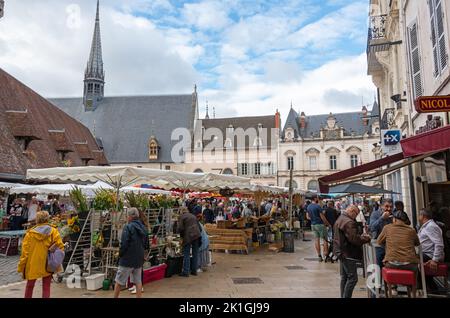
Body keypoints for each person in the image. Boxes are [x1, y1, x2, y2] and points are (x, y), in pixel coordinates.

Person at [17, 211, 64, 298]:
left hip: (32, 264)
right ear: (47, 219)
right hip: (47, 263)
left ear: (37, 220)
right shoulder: (53, 231)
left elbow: (24, 253)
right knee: (46, 287)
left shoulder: (30, 234)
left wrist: (21, 266)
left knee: (29, 286)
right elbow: (60, 247)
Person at [333, 205, 371, 298]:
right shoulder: (349, 222)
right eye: (356, 214)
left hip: (340, 251)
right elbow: (354, 239)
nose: (356, 216)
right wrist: (366, 239)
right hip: (347, 253)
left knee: (345, 277)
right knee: (352, 278)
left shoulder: (341, 218)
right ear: (352, 211)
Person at [114, 208, 148, 298]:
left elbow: (124, 243)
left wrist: (120, 254)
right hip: (139, 259)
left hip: (127, 259)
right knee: (138, 281)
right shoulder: (143, 227)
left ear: (130, 216)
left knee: (119, 281)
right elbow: (146, 244)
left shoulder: (128, 227)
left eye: (127, 216)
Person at [418, 209, 445, 291]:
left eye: (419, 215)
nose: (418, 217)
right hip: (426, 254)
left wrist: (434, 260)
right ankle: (431, 289)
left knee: (412, 260)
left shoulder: (431, 226)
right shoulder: (426, 226)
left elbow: (439, 244)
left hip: (430, 255)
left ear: (423, 216)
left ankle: (421, 289)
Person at [369, 198, 394, 269]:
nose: (389, 209)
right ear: (381, 206)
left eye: (391, 207)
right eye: (387, 206)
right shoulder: (375, 214)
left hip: (391, 245)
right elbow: (372, 228)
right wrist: (382, 218)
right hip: (379, 245)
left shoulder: (394, 215)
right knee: (379, 266)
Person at [178, 207, 202, 277]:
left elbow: (180, 228)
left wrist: (181, 237)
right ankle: (194, 270)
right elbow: (199, 228)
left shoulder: (181, 217)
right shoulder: (193, 215)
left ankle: (186, 272)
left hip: (188, 236)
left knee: (186, 254)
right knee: (195, 253)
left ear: (181, 211)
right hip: (197, 235)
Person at [307, 197, 329, 262]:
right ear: (315, 199)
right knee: (325, 240)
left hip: (313, 225)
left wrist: (313, 219)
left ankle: (319, 256)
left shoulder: (308, 207)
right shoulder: (318, 206)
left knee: (317, 240)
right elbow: (322, 217)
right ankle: (326, 255)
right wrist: (327, 223)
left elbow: (307, 217)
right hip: (320, 224)